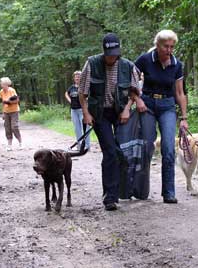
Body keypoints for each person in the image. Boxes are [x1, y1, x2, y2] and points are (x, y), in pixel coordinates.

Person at [78, 33, 140, 211]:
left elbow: (134, 91)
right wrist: (86, 113)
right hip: (100, 113)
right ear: (104, 51)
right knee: (110, 152)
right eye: (109, 54)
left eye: (115, 53)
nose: (112, 57)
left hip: (121, 112)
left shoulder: (128, 66)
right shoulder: (92, 64)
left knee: (121, 152)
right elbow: (82, 92)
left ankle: (124, 190)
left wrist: (128, 108)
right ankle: (110, 198)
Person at [134, 29, 188, 204]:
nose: (169, 50)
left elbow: (180, 92)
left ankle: (169, 192)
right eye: (166, 46)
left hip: (167, 106)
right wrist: (137, 99)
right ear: (157, 45)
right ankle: (141, 190)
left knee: (168, 148)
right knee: (147, 146)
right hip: (147, 104)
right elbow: (130, 81)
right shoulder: (145, 59)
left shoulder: (176, 64)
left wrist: (184, 118)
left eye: (172, 46)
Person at [65, 71, 90, 151]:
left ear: (82, 77)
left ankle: (87, 146)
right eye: (76, 77)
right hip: (74, 110)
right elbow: (66, 93)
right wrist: (70, 101)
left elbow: (90, 95)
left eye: (79, 76)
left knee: (85, 128)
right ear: (74, 78)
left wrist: (87, 101)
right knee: (77, 128)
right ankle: (79, 146)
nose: (77, 78)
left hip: (83, 110)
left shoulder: (84, 87)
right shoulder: (71, 87)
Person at [0, 77, 22, 151]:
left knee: (14, 127)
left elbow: (17, 100)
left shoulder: (12, 90)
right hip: (6, 112)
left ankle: (20, 142)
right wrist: (3, 113)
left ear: (6, 84)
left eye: (2, 83)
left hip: (14, 111)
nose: (1, 84)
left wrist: (9, 102)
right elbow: (2, 103)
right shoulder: (1, 91)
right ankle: (9, 144)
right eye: (1, 83)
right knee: (7, 128)